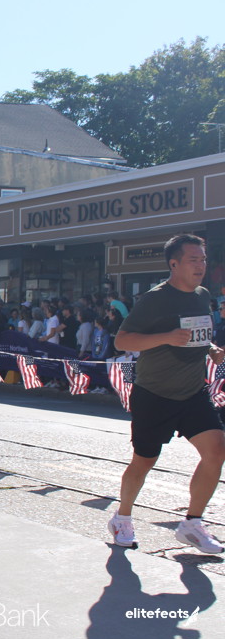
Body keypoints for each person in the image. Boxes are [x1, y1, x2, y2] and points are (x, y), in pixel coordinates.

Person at [108, 234, 225, 554]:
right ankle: (122, 518)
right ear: (174, 264)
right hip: (154, 393)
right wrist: (167, 337)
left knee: (216, 450)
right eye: (193, 260)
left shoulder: (202, 295)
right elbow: (123, 341)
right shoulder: (155, 299)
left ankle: (192, 524)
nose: (201, 265)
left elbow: (195, 334)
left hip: (193, 392)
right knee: (144, 461)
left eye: (203, 259)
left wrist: (211, 348)